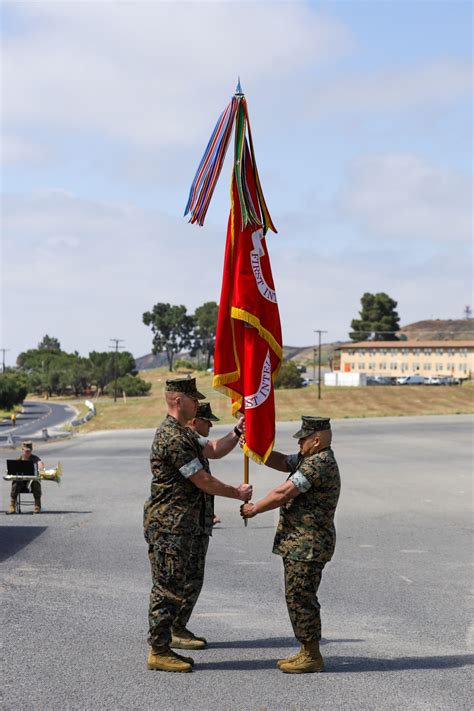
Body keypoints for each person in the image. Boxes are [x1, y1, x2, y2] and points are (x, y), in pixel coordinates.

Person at [144, 377, 252, 673]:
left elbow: (214, 449)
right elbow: (201, 480)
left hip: (184, 525)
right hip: (170, 526)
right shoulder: (173, 437)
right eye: (193, 399)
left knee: (180, 583)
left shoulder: (184, 433)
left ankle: (171, 636)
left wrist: (238, 431)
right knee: (167, 587)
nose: (197, 404)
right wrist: (236, 493)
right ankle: (159, 650)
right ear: (178, 400)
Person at [241, 416, 340, 674]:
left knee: (301, 597)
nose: (299, 443)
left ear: (316, 440)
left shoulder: (319, 464)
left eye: (303, 439)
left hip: (309, 544)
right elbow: (284, 462)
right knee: (297, 595)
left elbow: (284, 492)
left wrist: (255, 508)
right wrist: (255, 450)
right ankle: (306, 650)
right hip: (300, 542)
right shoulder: (309, 458)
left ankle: (312, 655)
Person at [8, 441, 45, 514]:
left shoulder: (35, 458)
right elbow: (12, 469)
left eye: (29, 451)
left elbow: (41, 465)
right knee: (16, 481)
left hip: (31, 483)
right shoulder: (19, 459)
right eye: (26, 451)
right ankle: (12, 505)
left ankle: (37, 505)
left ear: (31, 450)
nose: (27, 452)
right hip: (21, 484)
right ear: (23, 450)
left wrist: (40, 466)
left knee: (36, 481)